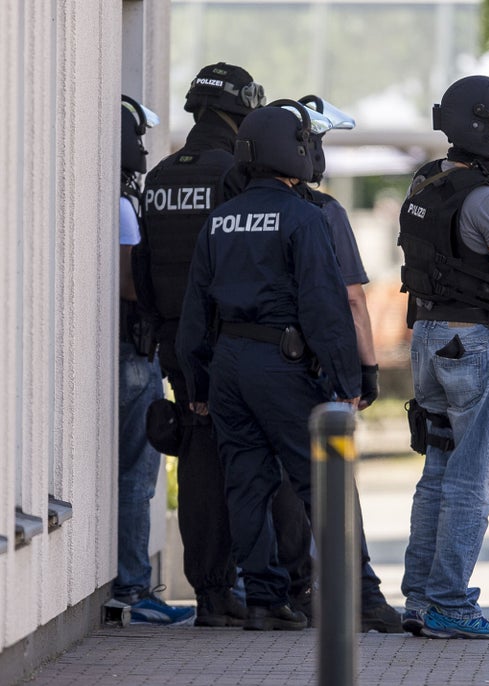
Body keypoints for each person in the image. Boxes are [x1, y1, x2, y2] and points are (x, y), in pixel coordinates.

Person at [175, 101, 362, 631]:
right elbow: (324, 308)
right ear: (292, 151)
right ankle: (357, 595)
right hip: (281, 363)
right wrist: (346, 380)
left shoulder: (219, 220)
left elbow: (196, 311)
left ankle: (263, 600)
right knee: (321, 482)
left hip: (228, 365)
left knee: (246, 485)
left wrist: (197, 383)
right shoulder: (305, 216)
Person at [397, 76, 489, 639]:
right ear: (478, 126)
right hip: (473, 344)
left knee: (437, 470)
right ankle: (450, 604)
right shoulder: (486, 199)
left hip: (427, 336)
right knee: (472, 477)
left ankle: (419, 600)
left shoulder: (426, 182)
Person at [267, 95, 401, 633]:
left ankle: (291, 590)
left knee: (275, 481)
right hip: (316, 369)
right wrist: (365, 371)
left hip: (253, 365)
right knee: (331, 484)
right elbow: (352, 300)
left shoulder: (243, 207)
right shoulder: (324, 212)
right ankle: (361, 595)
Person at [138, 62, 264, 627]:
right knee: (245, 462)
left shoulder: (161, 175)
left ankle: (211, 593)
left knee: (196, 458)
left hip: (173, 340)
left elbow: (145, 266)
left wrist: (161, 331)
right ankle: (247, 589)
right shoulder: (234, 173)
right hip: (228, 338)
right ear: (242, 110)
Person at [115, 95, 194, 625]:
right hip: (134, 353)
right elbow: (128, 283)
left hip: (126, 352)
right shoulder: (123, 205)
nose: (144, 149)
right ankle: (132, 588)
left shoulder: (123, 199)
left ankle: (129, 583)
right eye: (139, 138)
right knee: (139, 476)